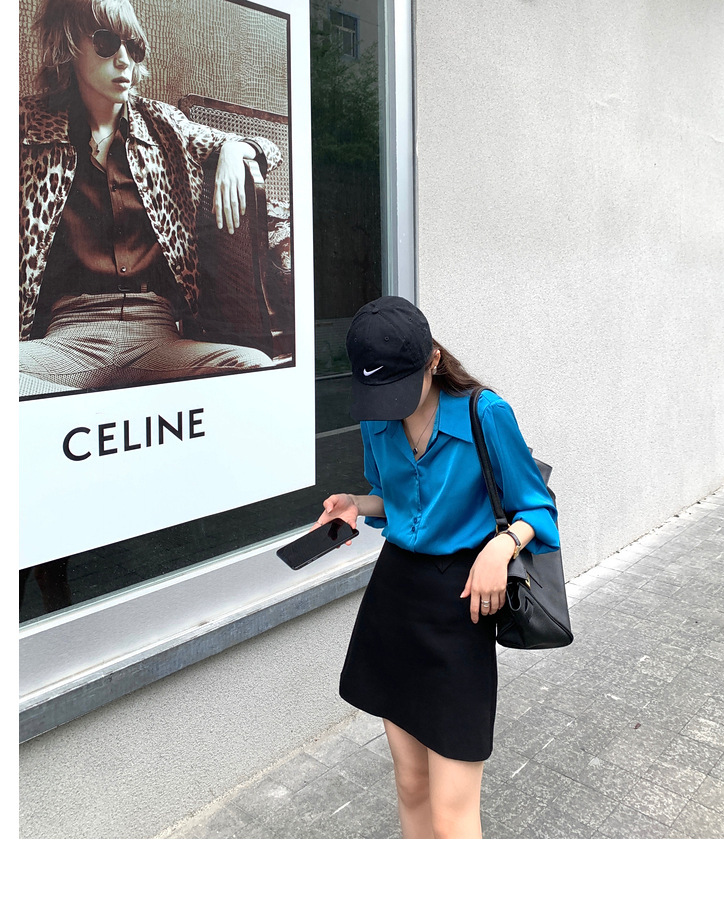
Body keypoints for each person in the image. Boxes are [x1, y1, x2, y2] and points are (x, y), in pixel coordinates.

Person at [315, 295, 560, 839]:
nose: (390, 405)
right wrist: (356, 503)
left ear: (433, 360)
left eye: (400, 388)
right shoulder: (377, 416)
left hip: (462, 605)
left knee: (452, 814)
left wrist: (502, 546)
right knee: (410, 784)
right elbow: (395, 498)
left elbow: (539, 510)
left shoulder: (484, 413)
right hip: (394, 600)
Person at [19, 0, 283, 397]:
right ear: (69, 45)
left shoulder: (163, 124)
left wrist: (234, 148)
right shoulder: (26, 125)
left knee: (254, 369)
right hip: (68, 339)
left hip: (157, 336)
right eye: (106, 43)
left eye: (134, 47)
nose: (124, 60)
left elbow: (270, 148)